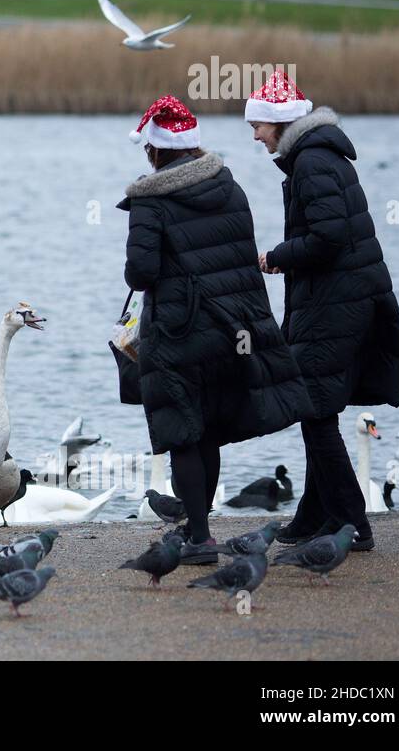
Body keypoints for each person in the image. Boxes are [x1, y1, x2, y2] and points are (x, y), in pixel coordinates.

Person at [119, 96, 312, 563]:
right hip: (231, 329)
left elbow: (141, 273)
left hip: (178, 331)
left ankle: (200, 538)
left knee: (182, 430)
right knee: (206, 429)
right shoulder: (229, 185)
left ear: (156, 149)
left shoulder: (151, 199)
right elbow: (239, 259)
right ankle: (198, 530)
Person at [246, 70, 399, 551]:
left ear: (280, 123)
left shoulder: (312, 162)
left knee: (314, 412)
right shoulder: (316, 156)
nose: (254, 135)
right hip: (344, 298)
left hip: (338, 303)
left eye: (258, 125)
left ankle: (354, 523)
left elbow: (329, 238)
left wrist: (276, 257)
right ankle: (313, 517)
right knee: (318, 408)